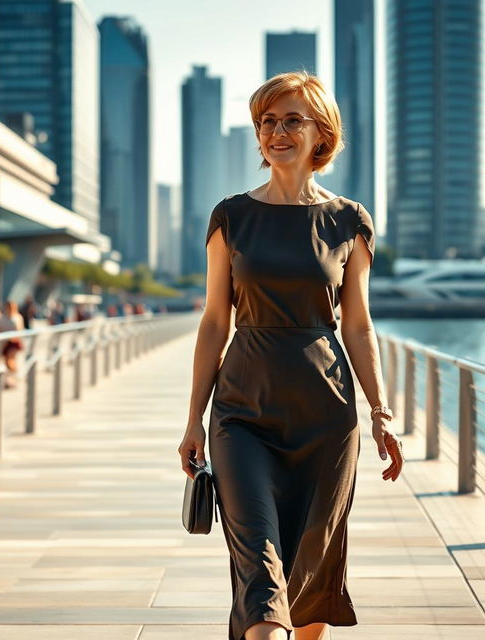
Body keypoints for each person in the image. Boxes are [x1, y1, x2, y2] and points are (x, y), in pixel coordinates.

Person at [177, 71, 405, 640]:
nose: (276, 131)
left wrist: (380, 412)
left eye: (291, 119)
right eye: (266, 121)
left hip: (326, 418)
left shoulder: (349, 221)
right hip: (241, 414)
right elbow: (213, 322)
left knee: (312, 571)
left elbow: (357, 323)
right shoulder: (231, 217)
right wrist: (192, 421)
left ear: (320, 131)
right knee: (259, 568)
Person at [0, 300, 24, 388]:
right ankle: (9, 380)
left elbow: (19, 330)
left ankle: (15, 377)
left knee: (10, 361)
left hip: (13, 342)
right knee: (6, 362)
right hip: (4, 342)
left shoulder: (17, 317)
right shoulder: (2, 317)